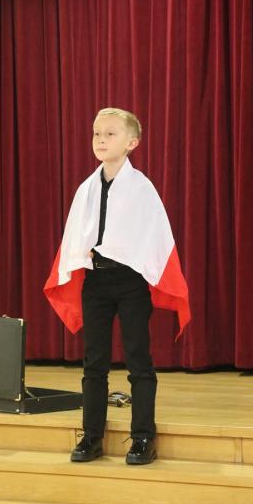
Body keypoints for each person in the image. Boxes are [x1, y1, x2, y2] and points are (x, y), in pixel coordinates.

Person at [44, 107, 190, 465]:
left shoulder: (142, 189)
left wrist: (124, 255)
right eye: (97, 133)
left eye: (110, 134)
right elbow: (77, 234)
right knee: (94, 361)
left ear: (131, 143)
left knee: (138, 359)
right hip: (96, 281)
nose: (101, 140)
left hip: (130, 282)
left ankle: (143, 437)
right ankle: (91, 436)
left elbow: (153, 234)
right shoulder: (86, 189)